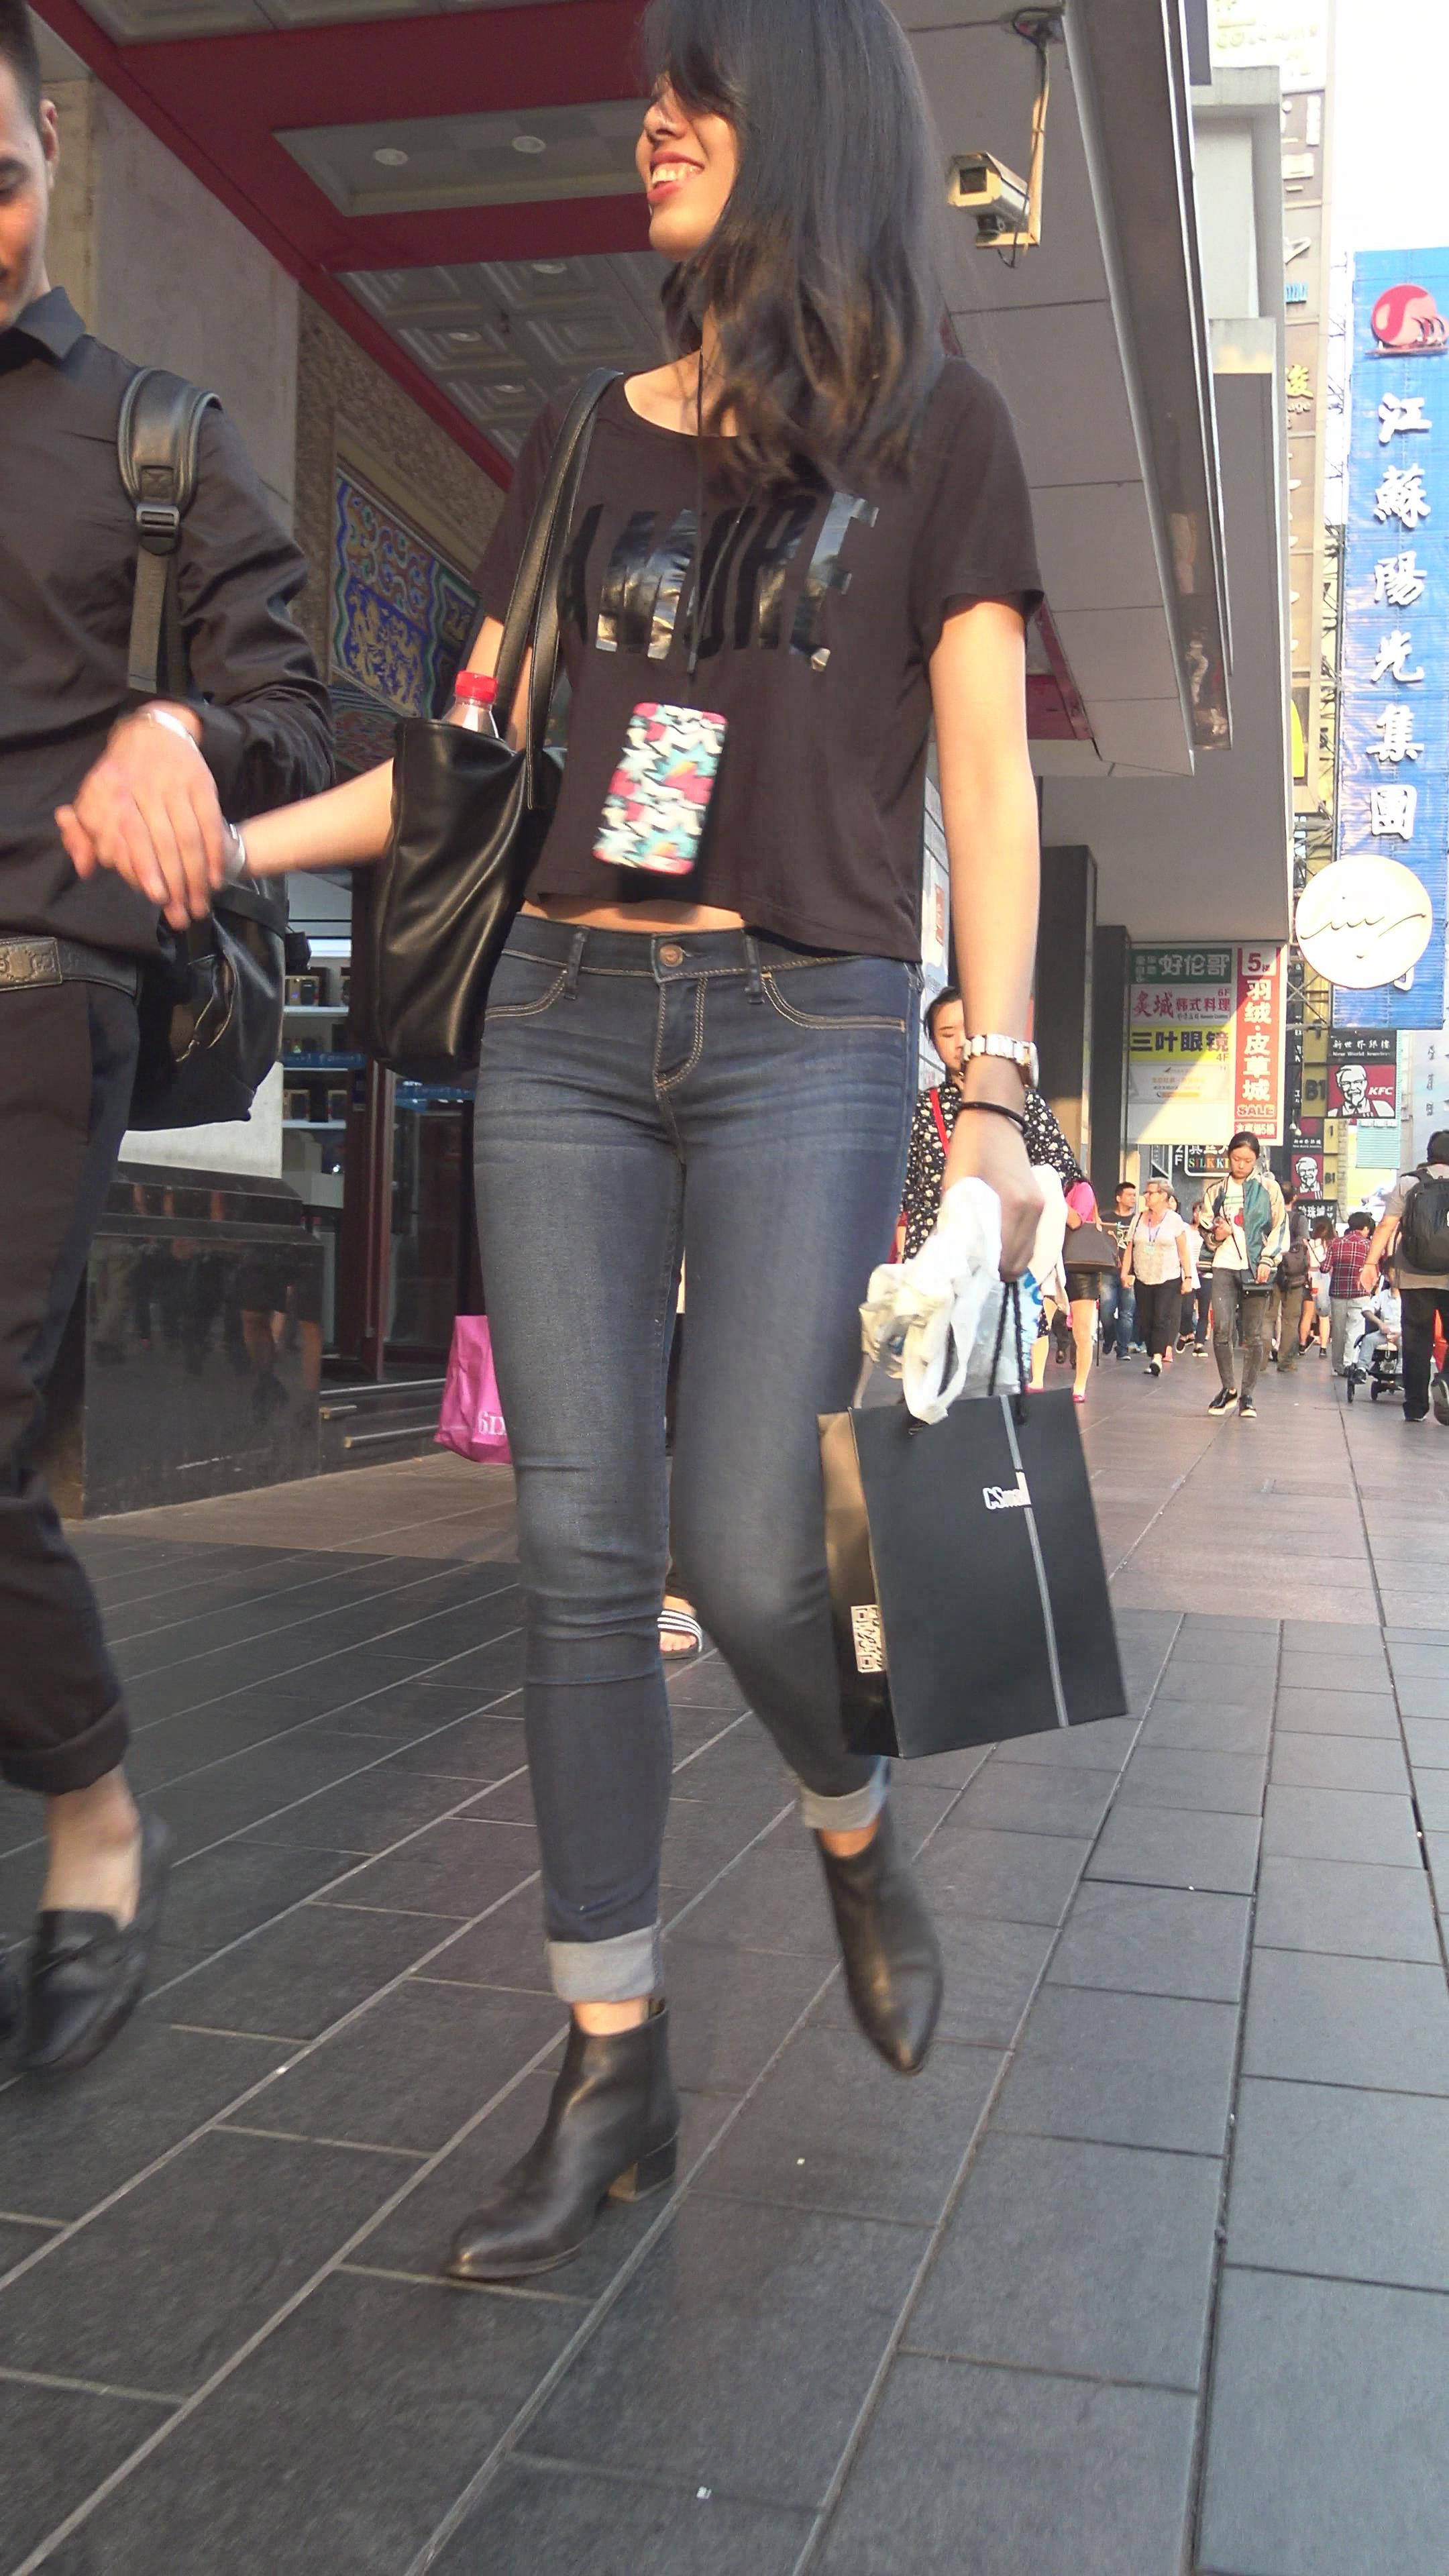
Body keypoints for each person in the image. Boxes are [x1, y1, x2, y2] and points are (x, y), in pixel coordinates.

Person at [68, 0, 1046, 2277]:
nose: (652, 121)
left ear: (804, 122)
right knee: (581, 1561)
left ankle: (848, 1816)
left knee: (746, 1544)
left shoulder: (942, 429)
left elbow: (988, 783)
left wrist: (997, 1097)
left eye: (699, 89)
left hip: (808, 1025)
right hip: (567, 1023)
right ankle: (615, 2066)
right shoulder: (585, 441)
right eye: (648, 89)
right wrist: (222, 833)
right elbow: (467, 766)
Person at [0, 0, 332, 2072]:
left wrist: (181, 730)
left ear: (49, 144)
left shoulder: (157, 436)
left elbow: (300, 716)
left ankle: (98, 1814)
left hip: (41, 989)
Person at [900, 983, 1079, 1259]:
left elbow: (1060, 1169)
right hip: (933, 1254)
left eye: (968, 1029)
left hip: (1006, 1251)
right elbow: (907, 1189)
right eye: (947, 1034)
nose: (960, 1041)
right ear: (934, 1044)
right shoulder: (922, 1108)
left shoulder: (1023, 1101)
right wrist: (904, 1255)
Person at [1360, 1130, 1449, 1426]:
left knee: (1416, 1340)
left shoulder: (1409, 1183)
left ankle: (1415, 1406)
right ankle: (1446, 1382)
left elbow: (1387, 1225)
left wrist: (1370, 1263)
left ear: (1429, 1154)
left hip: (1413, 1272)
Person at [1203, 1132, 1287, 1419]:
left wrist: (1268, 1259)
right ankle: (1229, 1388)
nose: (1241, 1165)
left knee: (1254, 1334)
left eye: (1248, 1160)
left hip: (1256, 1266)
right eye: (1236, 1159)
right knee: (1222, 1329)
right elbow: (1205, 1227)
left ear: (1257, 1160)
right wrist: (1217, 1235)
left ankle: (1247, 1394)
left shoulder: (1269, 1189)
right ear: (1229, 1157)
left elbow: (1280, 1227)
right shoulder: (1216, 1190)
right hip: (1224, 1264)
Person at [1030, 1178, 1104, 1404]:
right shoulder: (1049, 1186)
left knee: (1082, 1329)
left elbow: (1076, 1221)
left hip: (1081, 1265)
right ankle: (1037, 1379)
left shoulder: (1082, 1188)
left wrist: (1052, 1200)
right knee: (1041, 1323)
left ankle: (1080, 1385)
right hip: (1052, 1261)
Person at [1120, 1177, 1198, 1376]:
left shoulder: (1174, 1220)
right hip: (1143, 1276)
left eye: (1150, 1193)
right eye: (1146, 1192)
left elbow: (1183, 1250)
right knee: (1146, 1319)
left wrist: (1188, 1277)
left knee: (1161, 1317)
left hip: (1168, 1276)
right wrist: (1125, 1272)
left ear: (1163, 1195)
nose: (1146, 1196)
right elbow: (1130, 1247)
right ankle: (1154, 1351)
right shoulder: (1139, 1218)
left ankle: (1157, 1358)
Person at [1324, 1212, 1375, 1377]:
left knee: (1338, 1331)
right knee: (1355, 1329)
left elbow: (1325, 1268)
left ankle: (1338, 1365)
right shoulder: (1369, 1245)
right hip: (1360, 1292)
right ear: (1365, 1228)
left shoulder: (1335, 1243)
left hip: (1338, 1292)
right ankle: (1349, 1363)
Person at [1099, 1179, 1138, 1360]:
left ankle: (1122, 1349)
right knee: (1106, 1311)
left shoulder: (1138, 1220)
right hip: (1108, 1270)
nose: (1133, 1198)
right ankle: (1109, 1336)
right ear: (1118, 1198)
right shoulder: (1105, 1218)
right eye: (1129, 1195)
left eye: (1134, 1195)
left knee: (1127, 1313)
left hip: (1130, 1272)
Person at [1274, 1207, 1313, 1375]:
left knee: (1268, 1316)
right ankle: (1286, 1361)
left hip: (1272, 1269)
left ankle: (1261, 1359)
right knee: (1291, 1318)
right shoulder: (1299, 1219)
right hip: (1295, 1274)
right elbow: (1305, 1245)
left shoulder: (1271, 1214)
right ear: (1295, 1197)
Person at [1183, 1198, 1213, 1352]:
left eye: (1200, 1212)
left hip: (1206, 1273)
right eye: (1195, 1211)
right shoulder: (1185, 1229)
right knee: (1187, 1309)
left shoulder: (1211, 1233)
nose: (1197, 1215)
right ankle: (1188, 1332)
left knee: (1204, 1310)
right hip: (1190, 1273)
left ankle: (1199, 1343)